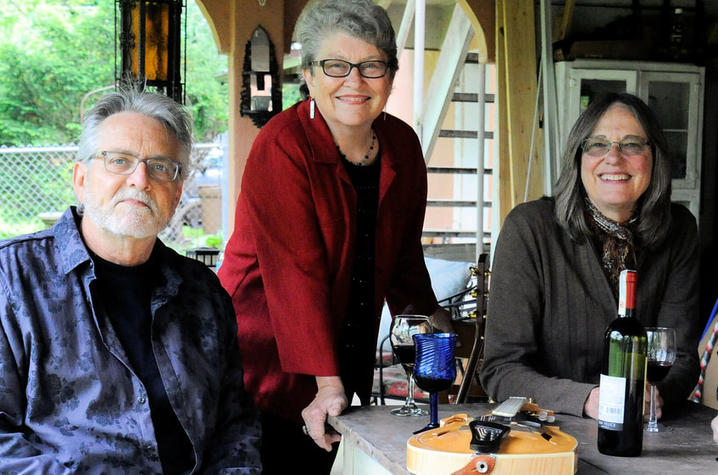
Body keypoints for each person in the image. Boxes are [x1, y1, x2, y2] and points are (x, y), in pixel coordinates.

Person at [217, 0, 451, 471]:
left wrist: (438, 330)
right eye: (335, 66)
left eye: (371, 65)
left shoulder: (402, 144)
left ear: (391, 74)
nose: (354, 81)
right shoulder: (282, 144)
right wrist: (326, 382)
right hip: (262, 354)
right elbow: (294, 274)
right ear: (308, 74)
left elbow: (404, 258)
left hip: (344, 350)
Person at [0, 89, 261, 473]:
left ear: (176, 191)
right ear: (82, 178)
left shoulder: (203, 293)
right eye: (119, 161)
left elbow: (234, 425)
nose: (140, 180)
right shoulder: (12, 279)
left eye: (160, 167)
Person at [479, 92, 700, 420]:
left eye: (632, 144)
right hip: (549, 432)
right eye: (597, 144)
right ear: (577, 157)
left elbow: (680, 359)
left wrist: (654, 395)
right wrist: (589, 399)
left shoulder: (679, 229)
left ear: (655, 158)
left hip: (648, 428)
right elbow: (501, 370)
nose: (613, 157)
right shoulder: (529, 228)